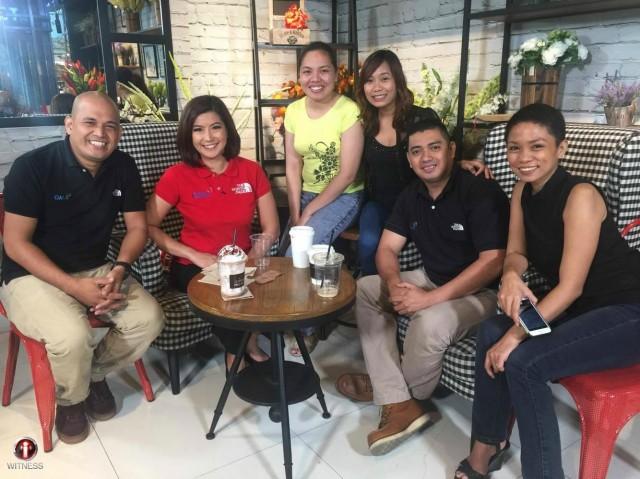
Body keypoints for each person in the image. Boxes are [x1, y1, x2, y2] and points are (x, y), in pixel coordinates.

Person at [455, 104, 640, 479]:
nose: (524, 158)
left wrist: (515, 336)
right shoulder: (522, 191)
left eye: (537, 146)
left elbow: (570, 287)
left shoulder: (580, 196)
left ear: (561, 148)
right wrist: (510, 275)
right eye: (514, 147)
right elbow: (516, 253)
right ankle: (487, 445)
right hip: (583, 311)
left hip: (627, 312)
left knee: (525, 363)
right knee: (490, 330)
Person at [0, 91, 165, 445]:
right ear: (69, 124)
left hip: (96, 268)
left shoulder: (123, 166)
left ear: (119, 132)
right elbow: (15, 244)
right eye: (90, 122)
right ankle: (70, 401)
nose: (100, 133)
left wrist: (119, 269)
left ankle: (92, 375)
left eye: (111, 125)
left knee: (148, 318)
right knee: (71, 336)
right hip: (30, 274)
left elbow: (137, 227)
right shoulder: (33, 167)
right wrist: (74, 288)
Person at [337, 118, 510, 456]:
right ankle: (398, 398)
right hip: (432, 277)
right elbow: (387, 248)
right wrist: (394, 283)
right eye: (416, 151)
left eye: (434, 147)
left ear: (452, 150)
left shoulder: (479, 191)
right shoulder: (412, 194)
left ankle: (396, 393)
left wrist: (429, 299)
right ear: (409, 159)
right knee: (367, 288)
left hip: (485, 293)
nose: (426, 157)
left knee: (430, 322)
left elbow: (493, 261)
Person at [146, 95, 279, 369]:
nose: (208, 137)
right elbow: (147, 226)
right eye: (198, 129)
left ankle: (249, 343)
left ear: (227, 129)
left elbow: (271, 227)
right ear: (189, 135)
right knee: (229, 289)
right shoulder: (176, 176)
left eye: (215, 127)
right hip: (193, 267)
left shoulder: (251, 171)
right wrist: (194, 255)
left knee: (266, 284)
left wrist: (251, 259)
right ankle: (236, 355)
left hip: (244, 260)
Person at [355, 49, 491, 276]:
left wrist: (458, 163)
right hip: (380, 205)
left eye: (384, 78)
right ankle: (373, 290)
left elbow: (439, 151)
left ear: (398, 81)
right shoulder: (364, 125)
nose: (377, 87)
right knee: (368, 242)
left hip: (420, 201)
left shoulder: (421, 117)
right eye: (369, 81)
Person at [283, 41, 364, 354]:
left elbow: (347, 174)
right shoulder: (293, 111)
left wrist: (308, 213)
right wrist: (295, 210)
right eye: (307, 71)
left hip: (344, 196)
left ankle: (306, 328)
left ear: (336, 75)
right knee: (281, 252)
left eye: (323, 71)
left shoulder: (348, 111)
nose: (315, 79)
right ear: (299, 76)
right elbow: (293, 163)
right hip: (306, 193)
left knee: (298, 252)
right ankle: (294, 312)